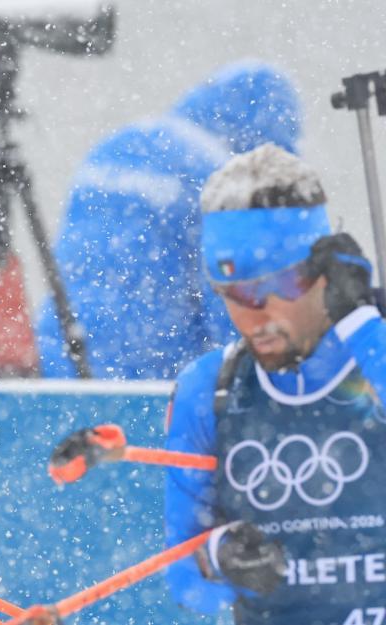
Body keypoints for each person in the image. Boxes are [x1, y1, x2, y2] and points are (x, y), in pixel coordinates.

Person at [163, 144, 386, 624]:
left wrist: (365, 323)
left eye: (275, 288)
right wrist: (218, 555)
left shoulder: (375, 355)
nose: (253, 317)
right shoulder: (211, 389)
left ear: (325, 274)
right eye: (235, 294)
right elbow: (182, 574)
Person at [35, 62, 303, 379]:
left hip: (60, 352)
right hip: (150, 372)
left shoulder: (119, 144)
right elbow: (232, 301)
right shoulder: (218, 175)